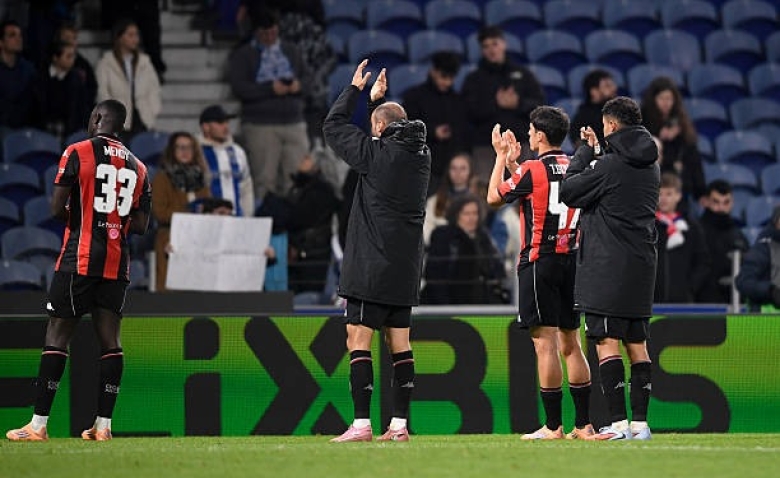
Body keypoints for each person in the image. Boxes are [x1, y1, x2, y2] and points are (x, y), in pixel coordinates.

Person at [6, 99, 151, 441]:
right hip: (118, 263)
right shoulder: (140, 167)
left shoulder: (77, 151)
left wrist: (88, 218)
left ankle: (38, 425)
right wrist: (113, 223)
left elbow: (56, 208)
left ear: (98, 118)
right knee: (111, 343)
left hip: (80, 258)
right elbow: (142, 225)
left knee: (57, 336)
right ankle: (103, 427)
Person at [323, 60, 430, 442]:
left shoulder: (374, 154)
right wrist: (377, 105)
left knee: (358, 337)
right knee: (399, 342)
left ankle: (361, 424)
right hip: (405, 266)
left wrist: (354, 91)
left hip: (371, 263)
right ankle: (399, 426)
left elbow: (333, 127)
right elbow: (390, 138)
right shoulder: (422, 157)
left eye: (374, 126)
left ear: (380, 130)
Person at [486, 106, 595, 440]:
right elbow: (546, 189)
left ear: (541, 135)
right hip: (571, 261)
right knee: (572, 342)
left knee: (544, 345)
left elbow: (493, 198)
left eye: (531, 131)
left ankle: (552, 427)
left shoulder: (533, 168)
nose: (528, 135)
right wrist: (516, 166)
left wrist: (501, 158)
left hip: (539, 262)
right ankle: (584, 425)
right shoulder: (577, 164)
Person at [560, 96, 659, 441]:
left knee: (606, 340)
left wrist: (584, 155)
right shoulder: (650, 164)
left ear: (613, 125)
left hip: (608, 264)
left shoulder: (610, 165)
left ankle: (618, 423)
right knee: (637, 342)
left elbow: (570, 191)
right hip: (642, 264)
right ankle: (641, 425)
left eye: (605, 126)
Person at [228, 7, 309, 198]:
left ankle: (294, 223)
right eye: (265, 33)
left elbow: (309, 79)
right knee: (265, 179)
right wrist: (269, 89)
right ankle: (268, 223)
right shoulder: (243, 55)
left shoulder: (291, 51)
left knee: (297, 177)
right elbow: (239, 87)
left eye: (273, 32)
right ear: (256, 33)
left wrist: (299, 85)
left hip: (294, 122)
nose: (270, 37)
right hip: (260, 124)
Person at [461, 25, 545, 182]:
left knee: (522, 190)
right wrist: (496, 103)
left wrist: (517, 103)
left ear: (503, 44)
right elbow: (467, 111)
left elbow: (539, 106)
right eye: (486, 46)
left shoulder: (524, 74)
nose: (491, 49)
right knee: (488, 192)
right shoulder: (474, 79)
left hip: (519, 145)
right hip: (485, 147)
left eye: (495, 44)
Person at [402, 51, 469, 196]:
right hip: (423, 166)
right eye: (443, 77)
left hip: (451, 166)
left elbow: (463, 131)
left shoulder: (458, 100)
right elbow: (406, 129)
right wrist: (432, 132)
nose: (447, 82)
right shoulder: (414, 97)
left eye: (451, 78)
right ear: (433, 71)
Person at [151, 132, 211, 292]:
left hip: (198, 238)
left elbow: (208, 208)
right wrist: (189, 215)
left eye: (189, 147)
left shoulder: (200, 180)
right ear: (172, 151)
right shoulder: (162, 179)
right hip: (170, 236)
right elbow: (160, 212)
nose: (184, 151)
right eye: (179, 147)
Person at [422, 194, 506, 305]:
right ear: (456, 215)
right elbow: (434, 275)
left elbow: (497, 270)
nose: (471, 218)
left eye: (475, 213)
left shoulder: (483, 237)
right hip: (446, 305)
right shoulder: (443, 235)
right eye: (466, 214)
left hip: (479, 305)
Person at [640, 76, 705, 208]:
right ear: (653, 100)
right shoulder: (641, 123)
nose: (666, 103)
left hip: (678, 187)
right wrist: (658, 137)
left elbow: (694, 159)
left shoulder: (682, 124)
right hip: (651, 189)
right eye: (662, 99)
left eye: (669, 99)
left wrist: (701, 191)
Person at [95, 18, 161, 135]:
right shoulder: (106, 63)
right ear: (119, 37)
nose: (135, 39)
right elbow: (102, 92)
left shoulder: (144, 62)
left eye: (136, 35)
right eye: (130, 35)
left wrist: (153, 110)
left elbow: (154, 89)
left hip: (142, 118)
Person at [654, 172, 710, 303]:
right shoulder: (648, 226)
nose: (663, 199)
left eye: (669, 194)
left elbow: (703, 262)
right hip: (651, 302)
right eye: (660, 194)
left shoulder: (691, 228)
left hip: (682, 302)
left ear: (678, 196)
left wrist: (689, 288)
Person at [198, 104, 255, 217]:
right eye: (220, 123)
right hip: (206, 220)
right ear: (205, 127)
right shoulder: (196, 151)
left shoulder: (238, 152)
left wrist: (247, 217)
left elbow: (246, 188)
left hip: (236, 219)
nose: (225, 127)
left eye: (226, 122)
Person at [697, 180, 749, 303]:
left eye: (726, 202)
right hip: (702, 305)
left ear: (732, 203)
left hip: (735, 302)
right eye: (716, 202)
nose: (721, 207)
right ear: (705, 202)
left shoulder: (738, 235)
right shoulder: (696, 232)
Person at [36, 41, 91, 140]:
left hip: (70, 130)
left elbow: (82, 108)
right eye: (68, 56)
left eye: (73, 56)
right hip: (45, 128)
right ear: (56, 58)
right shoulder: (42, 78)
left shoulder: (76, 79)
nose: (72, 60)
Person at [423, 153, 474, 246]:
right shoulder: (434, 201)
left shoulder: (478, 200)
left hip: (470, 253)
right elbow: (426, 230)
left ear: (470, 171)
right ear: (448, 171)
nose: (458, 172)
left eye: (462, 168)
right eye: (453, 168)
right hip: (441, 251)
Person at [735, 206, 780, 312]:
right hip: (764, 321)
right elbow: (743, 282)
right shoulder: (763, 249)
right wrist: (771, 291)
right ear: (776, 222)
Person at [0, 19, 38, 130]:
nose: (18, 39)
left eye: (20, 35)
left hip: (25, 127)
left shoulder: (28, 69)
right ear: (1, 42)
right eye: (12, 35)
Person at [569, 69, 617, 149]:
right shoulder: (583, 118)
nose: (614, 89)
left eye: (613, 85)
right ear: (594, 91)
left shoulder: (617, 111)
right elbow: (580, 146)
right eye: (607, 86)